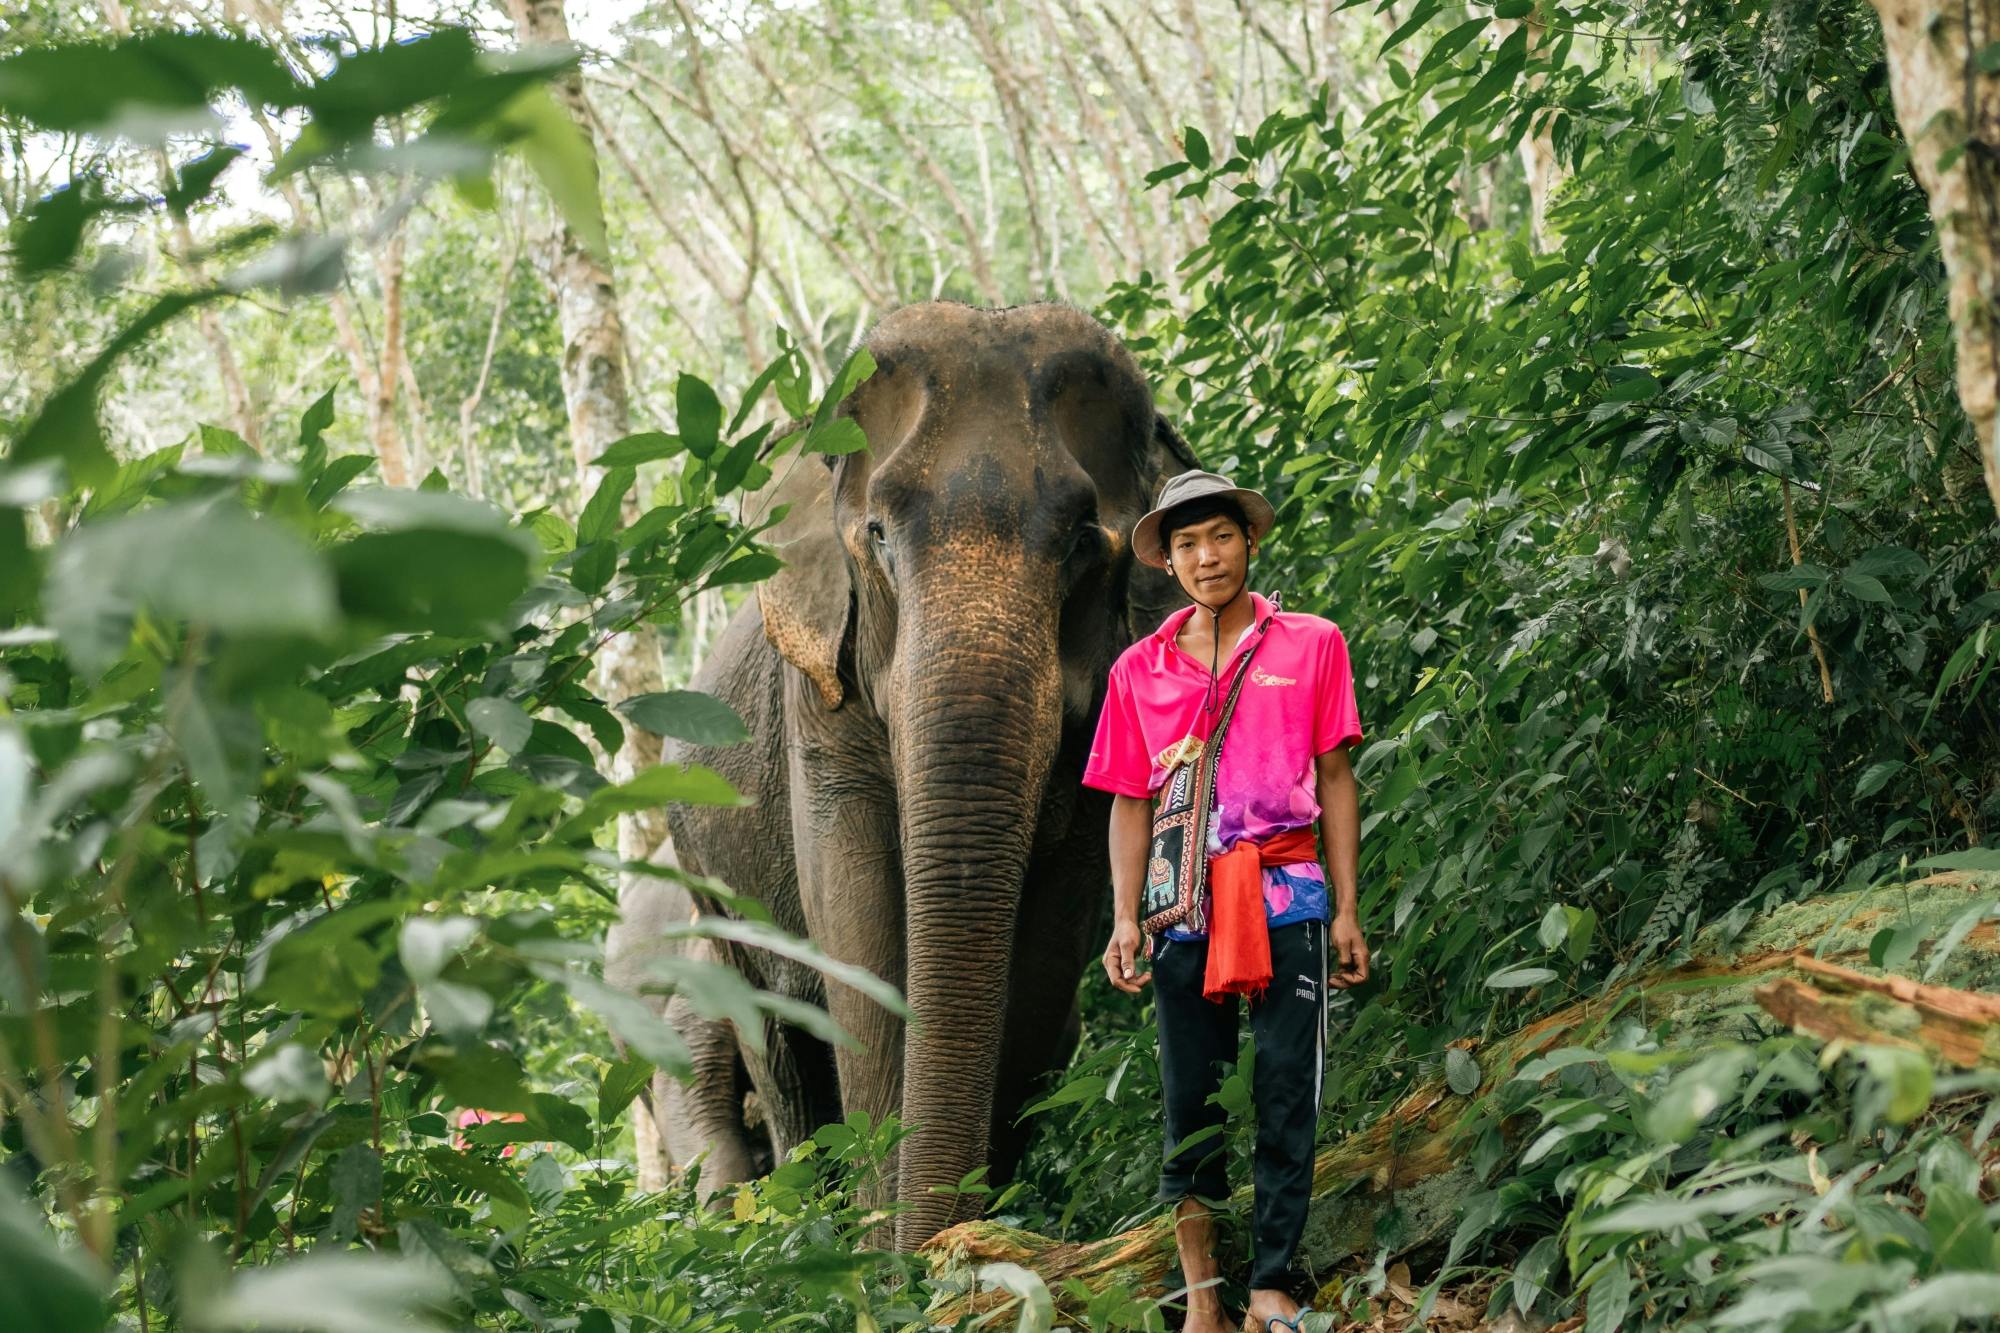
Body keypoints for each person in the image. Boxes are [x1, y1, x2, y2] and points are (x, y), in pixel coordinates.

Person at [1083, 469, 1367, 1333]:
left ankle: (1271, 1283)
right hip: (1183, 908)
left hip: (1290, 895)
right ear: (1166, 562)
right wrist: (1124, 916)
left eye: (1220, 537)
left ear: (1250, 543)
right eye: (1187, 543)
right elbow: (1129, 800)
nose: (1207, 556)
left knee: (1286, 1088)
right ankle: (1202, 1297)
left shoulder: (1312, 643)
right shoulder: (1139, 671)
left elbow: (1336, 777)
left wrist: (1347, 909)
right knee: (1190, 1099)